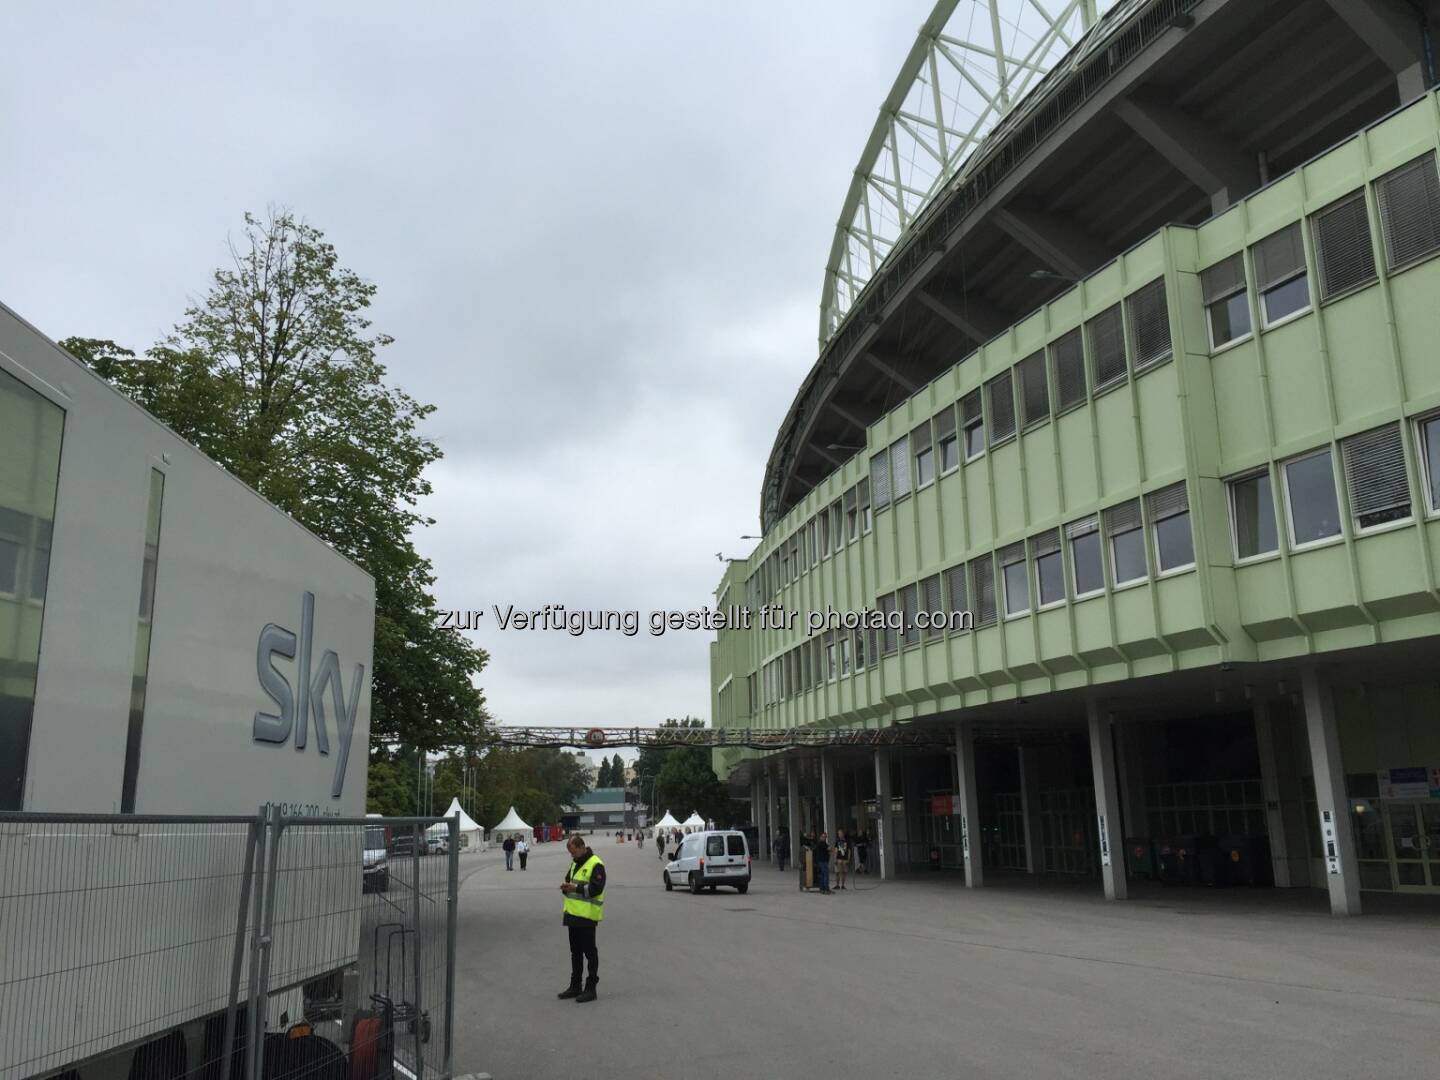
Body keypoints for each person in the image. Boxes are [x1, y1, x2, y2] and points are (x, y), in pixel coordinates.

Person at [557, 833, 606, 1003]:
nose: (572, 855)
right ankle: (575, 985)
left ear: (581, 847)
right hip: (572, 915)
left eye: (573, 852)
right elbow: (569, 881)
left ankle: (591, 988)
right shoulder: (575, 863)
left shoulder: (596, 864)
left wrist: (574, 888)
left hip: (587, 916)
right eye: (570, 853)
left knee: (589, 952)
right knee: (575, 952)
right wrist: (565, 887)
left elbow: (596, 889)